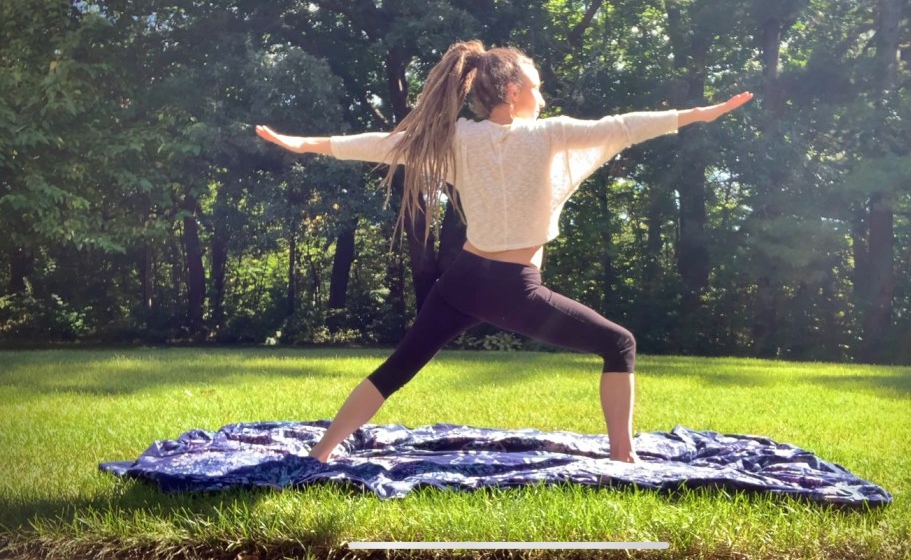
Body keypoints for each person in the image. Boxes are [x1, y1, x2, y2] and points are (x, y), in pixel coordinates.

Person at [256, 40, 752, 464]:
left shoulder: (457, 139)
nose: (543, 96)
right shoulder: (549, 134)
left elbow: (383, 144)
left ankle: (320, 455)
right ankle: (623, 457)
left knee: (397, 368)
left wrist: (305, 144)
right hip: (512, 289)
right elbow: (624, 125)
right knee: (619, 344)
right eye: (537, 87)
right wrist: (698, 115)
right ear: (513, 91)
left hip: (461, 280)